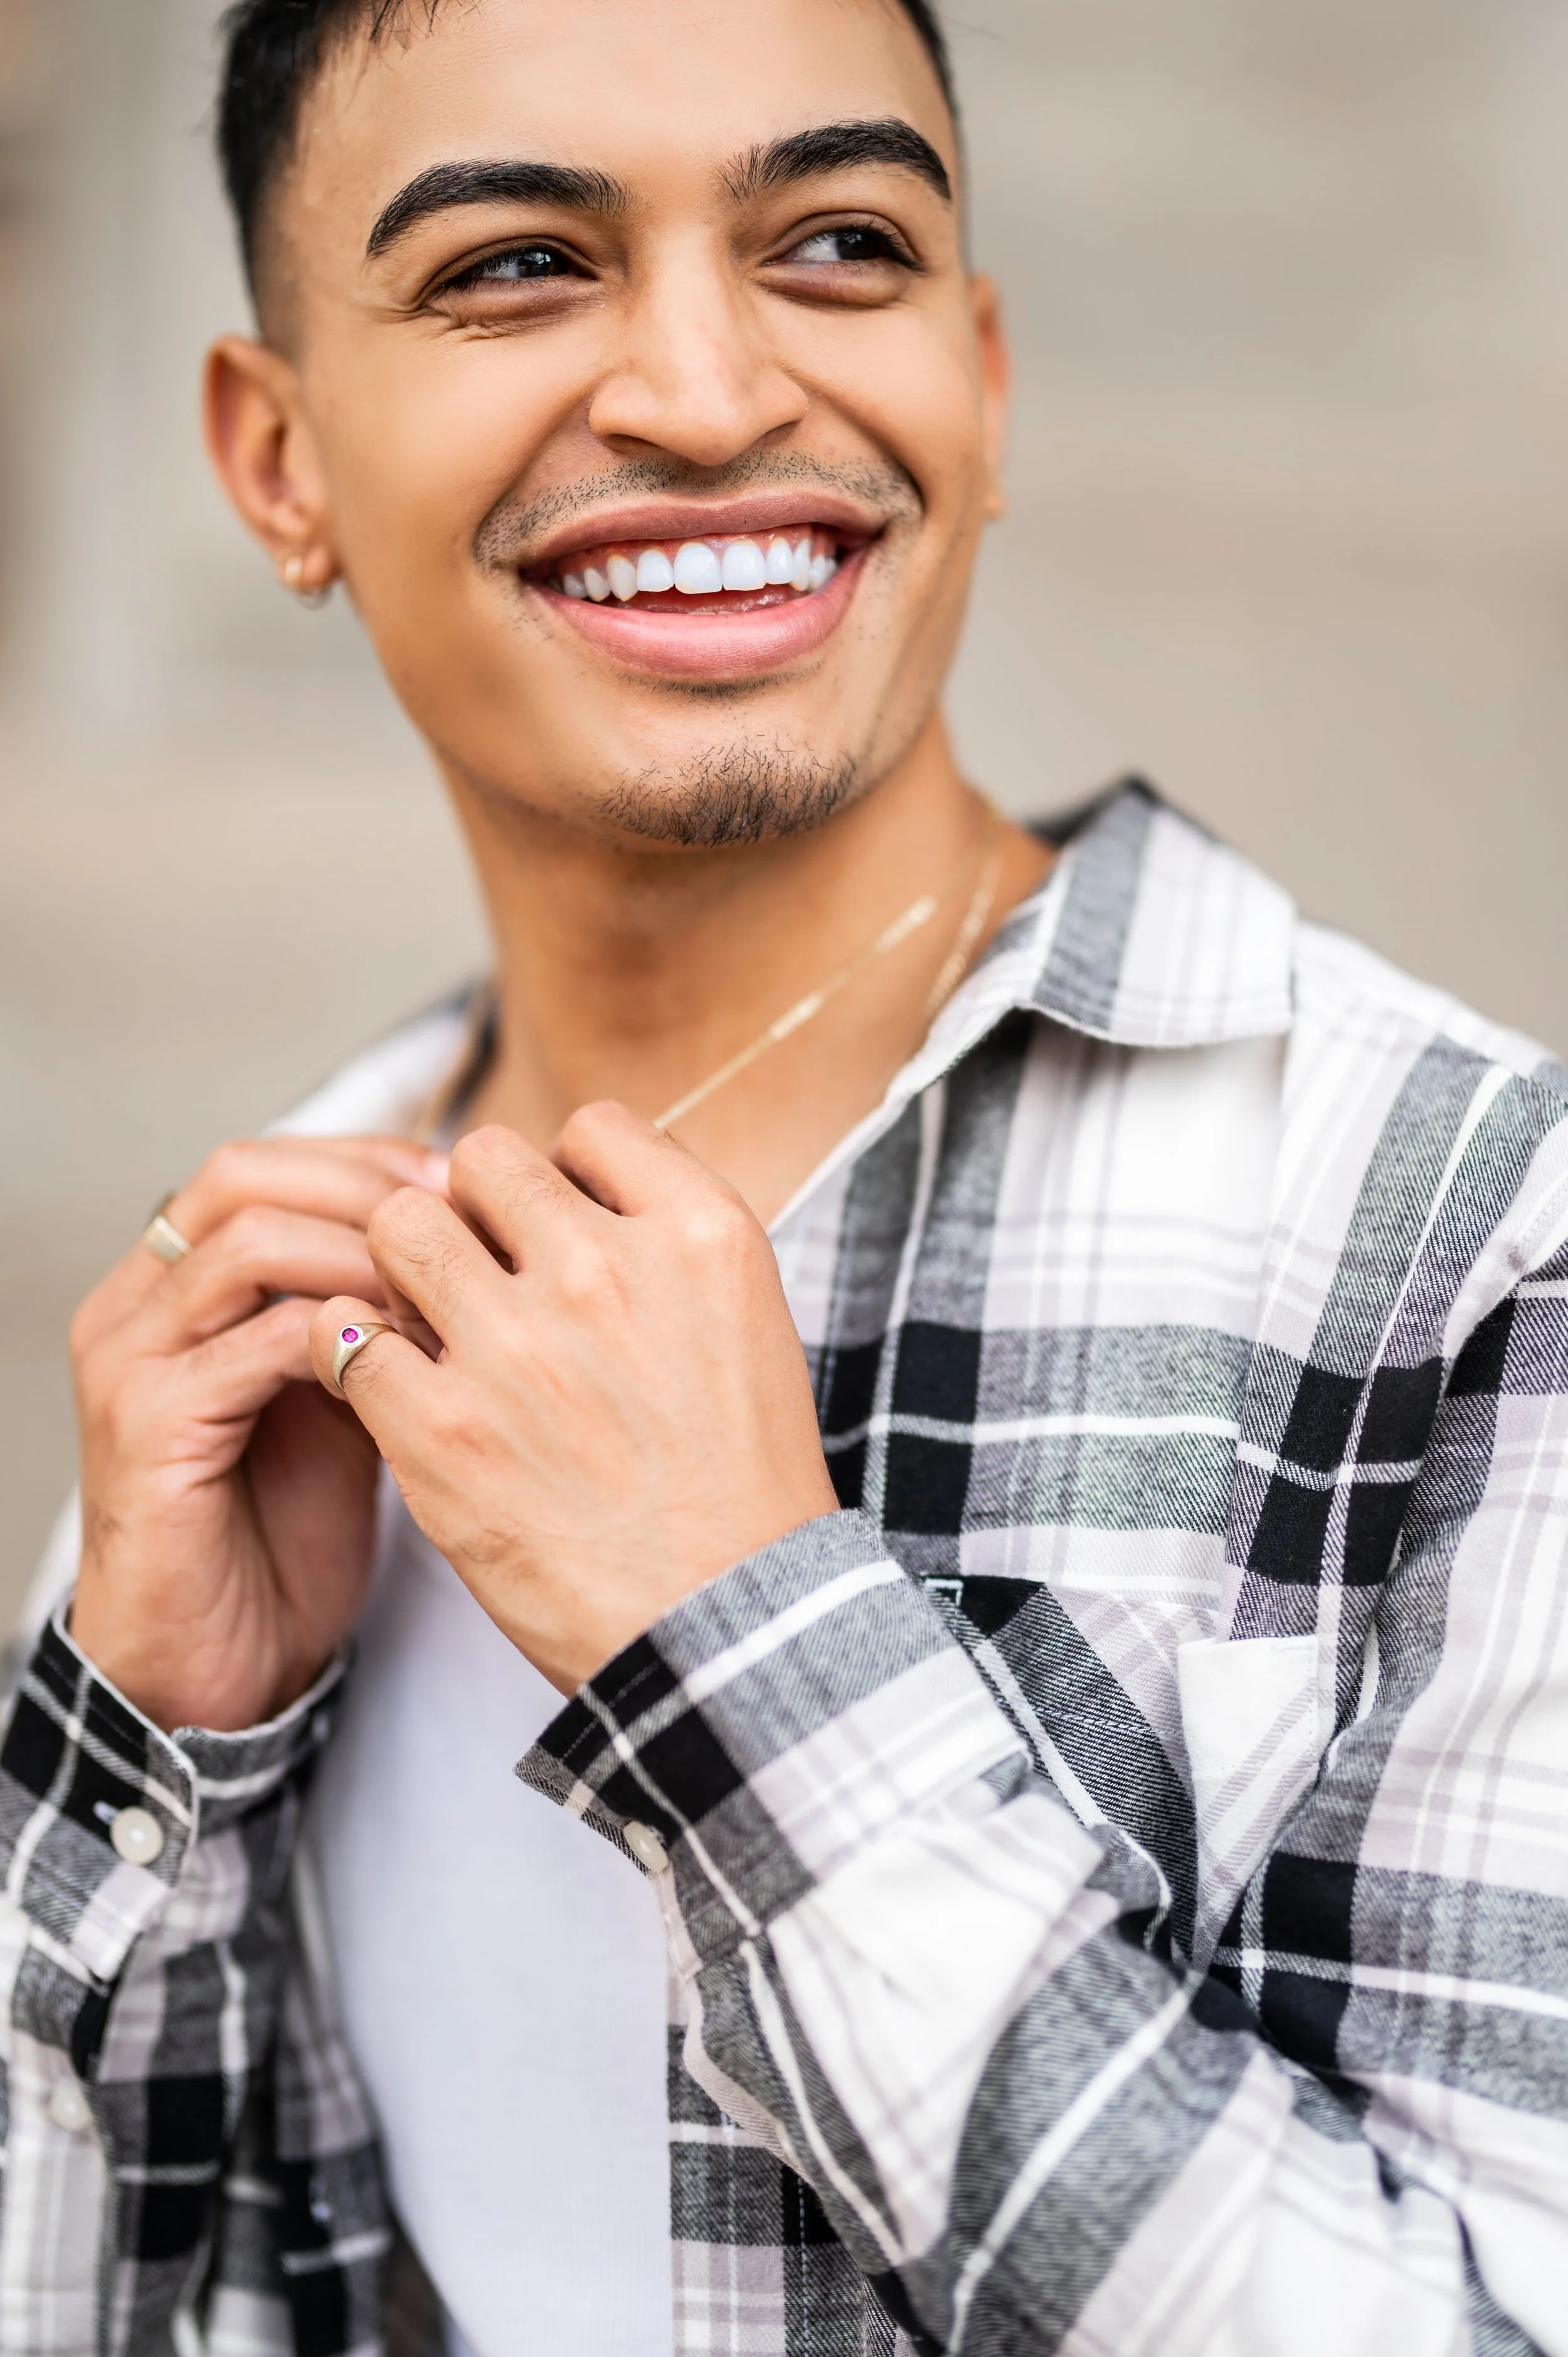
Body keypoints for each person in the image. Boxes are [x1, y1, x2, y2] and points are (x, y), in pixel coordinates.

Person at [4, 0, 1567, 2349]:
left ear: (985, 373)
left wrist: (742, 1640)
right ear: (277, 456)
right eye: (518, 267)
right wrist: (149, 1757)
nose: (713, 392)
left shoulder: (1454, 1235)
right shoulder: (269, 1304)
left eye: (839, 242)